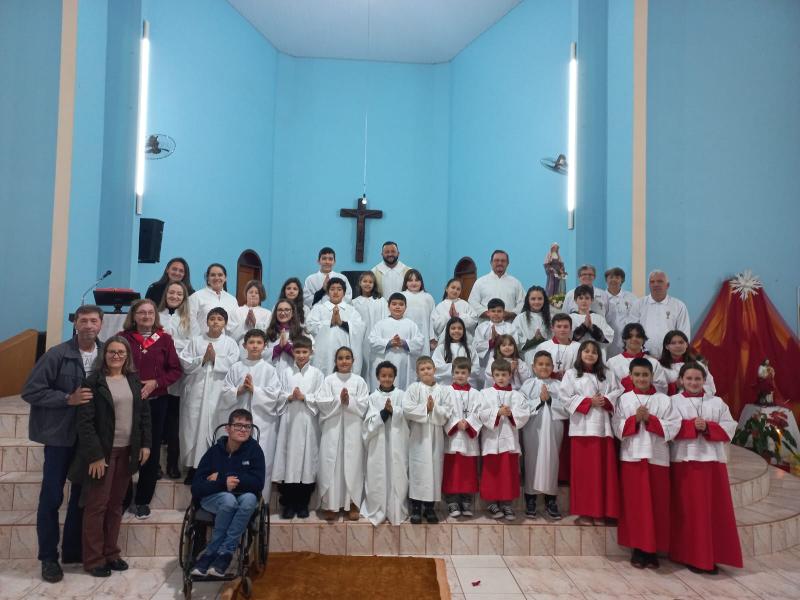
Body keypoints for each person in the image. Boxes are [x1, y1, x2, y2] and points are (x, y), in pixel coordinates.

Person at [22, 305, 104, 583]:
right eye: (84, 321)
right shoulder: (57, 354)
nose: (89, 325)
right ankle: (48, 558)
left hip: (90, 441)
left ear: (101, 325)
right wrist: (66, 399)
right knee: (52, 497)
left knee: (82, 498)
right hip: (60, 437)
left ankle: (72, 551)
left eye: (94, 320)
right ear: (76, 324)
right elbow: (31, 390)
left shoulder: (108, 354)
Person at [69, 336, 151, 577]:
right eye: (112, 352)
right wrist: (94, 455)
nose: (116, 356)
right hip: (102, 455)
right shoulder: (93, 382)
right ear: (104, 356)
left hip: (127, 452)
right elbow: (84, 423)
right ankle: (94, 559)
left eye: (121, 352)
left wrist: (145, 445)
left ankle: (111, 553)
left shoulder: (134, 381)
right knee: (96, 506)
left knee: (116, 506)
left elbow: (144, 415)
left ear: (128, 356)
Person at [669, 362, 742, 574]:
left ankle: (712, 555)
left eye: (697, 379)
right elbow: (668, 427)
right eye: (689, 379)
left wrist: (708, 427)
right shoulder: (673, 402)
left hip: (712, 463)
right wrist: (691, 426)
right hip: (685, 462)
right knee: (690, 512)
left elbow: (730, 427)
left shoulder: (717, 402)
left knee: (713, 512)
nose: (693, 383)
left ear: (704, 380)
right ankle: (691, 555)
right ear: (681, 380)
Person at [612, 358, 680, 569]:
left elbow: (674, 425)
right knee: (635, 506)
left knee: (657, 505)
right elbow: (617, 426)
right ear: (630, 377)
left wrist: (651, 420)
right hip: (632, 457)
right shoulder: (624, 400)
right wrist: (634, 420)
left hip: (657, 458)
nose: (641, 379)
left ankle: (653, 551)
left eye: (645, 375)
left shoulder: (664, 400)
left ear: (652, 376)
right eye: (637, 375)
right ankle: (638, 549)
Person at [119, 299, 182, 519]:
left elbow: (175, 370)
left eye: (150, 313)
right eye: (141, 313)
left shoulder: (164, 339)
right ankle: (123, 498)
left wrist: (156, 382)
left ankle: (143, 499)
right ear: (134, 316)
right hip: (127, 401)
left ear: (156, 316)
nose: (146, 316)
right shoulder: (123, 339)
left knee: (151, 449)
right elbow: (113, 366)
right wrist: (133, 385)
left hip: (156, 401)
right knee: (125, 448)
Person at [190, 409, 265, 578]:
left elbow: (258, 483)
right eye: (238, 425)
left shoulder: (255, 451)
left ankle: (224, 552)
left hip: (243, 496)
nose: (243, 430)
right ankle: (213, 552)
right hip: (215, 498)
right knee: (228, 500)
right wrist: (223, 482)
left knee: (249, 499)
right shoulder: (213, 452)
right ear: (228, 428)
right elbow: (197, 487)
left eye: (247, 426)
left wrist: (223, 476)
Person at [561, 340, 621, 526]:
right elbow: (565, 397)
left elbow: (618, 392)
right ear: (580, 353)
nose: (590, 355)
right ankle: (585, 512)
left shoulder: (608, 374)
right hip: (581, 430)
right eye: (586, 351)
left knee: (602, 473)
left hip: (603, 430)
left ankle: (600, 512)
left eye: (594, 352)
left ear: (599, 356)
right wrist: (588, 402)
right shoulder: (571, 374)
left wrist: (606, 400)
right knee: (584, 474)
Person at [179, 307, 240, 482]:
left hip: (218, 393)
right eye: (212, 318)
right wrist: (202, 359)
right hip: (196, 391)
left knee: (214, 428)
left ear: (225, 323)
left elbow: (235, 365)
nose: (215, 322)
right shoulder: (196, 341)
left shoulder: (230, 343)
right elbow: (185, 361)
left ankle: (210, 467)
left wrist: (216, 359)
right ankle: (192, 467)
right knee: (192, 428)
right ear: (206, 322)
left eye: (220, 319)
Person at [218, 329, 283, 494]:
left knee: (260, 459)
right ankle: (232, 494)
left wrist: (255, 390)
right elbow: (225, 392)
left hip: (262, 420)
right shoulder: (236, 367)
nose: (255, 346)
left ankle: (260, 499)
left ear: (265, 346)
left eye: (259, 343)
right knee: (235, 457)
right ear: (244, 345)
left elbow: (274, 395)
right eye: (251, 342)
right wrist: (239, 390)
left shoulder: (269, 370)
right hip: (239, 419)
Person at [272, 336, 324, 519]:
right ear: (292, 352)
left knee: (307, 462)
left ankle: (302, 503)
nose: (301, 355)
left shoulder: (317, 374)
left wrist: (305, 398)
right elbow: (276, 393)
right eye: (298, 351)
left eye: (305, 352)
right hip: (289, 421)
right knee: (288, 461)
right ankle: (288, 502)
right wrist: (288, 397)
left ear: (311, 352)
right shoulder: (285, 372)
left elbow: (320, 398)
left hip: (308, 422)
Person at [316, 347, 369, 521]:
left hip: (353, 428)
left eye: (347, 358)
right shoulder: (329, 380)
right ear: (335, 361)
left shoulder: (359, 381)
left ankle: (352, 503)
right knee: (332, 464)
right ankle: (330, 504)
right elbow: (321, 402)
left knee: (352, 465)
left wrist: (350, 401)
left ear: (353, 360)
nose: (344, 361)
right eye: (340, 358)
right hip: (333, 428)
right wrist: (340, 400)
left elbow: (364, 404)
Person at [478, 358, 530, 520]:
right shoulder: (485, 394)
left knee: (509, 473)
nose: (501, 378)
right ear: (492, 376)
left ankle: (507, 504)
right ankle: (492, 503)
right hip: (491, 441)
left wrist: (511, 414)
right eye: (497, 375)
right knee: (492, 473)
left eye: (504, 375)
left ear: (510, 375)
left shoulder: (517, 395)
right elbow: (481, 412)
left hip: (510, 441)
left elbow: (524, 414)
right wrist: (497, 413)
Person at [403, 356, 452, 524]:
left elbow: (447, 411)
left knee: (434, 471)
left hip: (436, 437)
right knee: (418, 471)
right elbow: (407, 409)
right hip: (418, 437)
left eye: (428, 368)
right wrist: (425, 409)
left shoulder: (444, 390)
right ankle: (416, 508)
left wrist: (434, 409)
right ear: (417, 372)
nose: (426, 371)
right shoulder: (413, 388)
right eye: (422, 369)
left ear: (434, 370)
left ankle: (430, 508)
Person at [519, 351, 567, 520]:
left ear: (553, 367)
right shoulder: (528, 385)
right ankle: (530, 500)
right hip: (533, 427)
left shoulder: (559, 385)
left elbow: (567, 407)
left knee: (551, 460)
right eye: (540, 364)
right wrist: (539, 400)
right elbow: (522, 406)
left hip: (554, 427)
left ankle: (550, 500)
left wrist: (551, 401)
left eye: (548, 364)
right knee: (532, 460)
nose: (544, 367)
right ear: (533, 367)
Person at [158, 281, 198, 479]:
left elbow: (194, 344)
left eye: (179, 294)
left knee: (174, 421)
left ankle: (173, 463)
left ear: (184, 297)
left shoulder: (190, 319)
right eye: (171, 292)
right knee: (157, 421)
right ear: (166, 294)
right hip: (157, 373)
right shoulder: (157, 316)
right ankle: (154, 464)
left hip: (179, 373)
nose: (174, 296)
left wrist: (172, 342)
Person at [362, 361, 409, 525]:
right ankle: (377, 507)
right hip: (378, 445)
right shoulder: (372, 397)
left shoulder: (402, 395)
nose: (387, 379)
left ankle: (396, 508)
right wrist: (383, 413)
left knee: (397, 475)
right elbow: (368, 423)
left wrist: (394, 411)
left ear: (395, 377)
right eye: (383, 376)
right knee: (378, 475)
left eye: (390, 376)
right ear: (377, 377)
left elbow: (406, 416)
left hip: (397, 444)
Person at [442, 357, 482, 519]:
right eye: (457, 372)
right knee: (453, 469)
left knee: (467, 470)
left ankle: (466, 500)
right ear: (452, 373)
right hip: (453, 437)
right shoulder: (446, 391)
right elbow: (443, 410)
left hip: (468, 438)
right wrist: (455, 423)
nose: (460, 375)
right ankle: (451, 500)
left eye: (463, 372)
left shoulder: (476, 394)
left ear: (469, 374)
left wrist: (469, 423)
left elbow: (479, 412)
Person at [306, 278, 365, 376]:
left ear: (344, 292)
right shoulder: (319, 308)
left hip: (345, 351)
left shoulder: (351, 310)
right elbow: (309, 326)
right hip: (324, 352)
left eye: (339, 289)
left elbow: (360, 328)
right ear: (328, 292)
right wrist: (330, 322)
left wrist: (342, 323)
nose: (336, 292)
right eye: (332, 289)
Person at [368, 292, 425, 391]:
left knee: (403, 390)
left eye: (401, 304)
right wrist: (389, 343)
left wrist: (404, 343)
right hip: (385, 361)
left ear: (406, 307)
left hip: (405, 364)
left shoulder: (411, 324)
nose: (397, 307)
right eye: (394, 304)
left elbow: (420, 342)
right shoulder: (381, 324)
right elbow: (372, 340)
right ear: (388, 306)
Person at [633, 270, 691, 358]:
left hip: (671, 357)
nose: (656, 284)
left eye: (660, 281)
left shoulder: (679, 306)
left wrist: (678, 353)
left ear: (667, 285)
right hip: (644, 357)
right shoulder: (638, 304)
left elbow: (684, 334)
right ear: (649, 285)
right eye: (652, 282)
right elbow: (632, 331)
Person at [607, 323, 669, 394]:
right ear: (624, 339)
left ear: (643, 339)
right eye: (630, 336)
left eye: (638, 336)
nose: (634, 339)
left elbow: (662, 387)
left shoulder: (653, 362)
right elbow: (608, 387)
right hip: (621, 403)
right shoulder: (612, 362)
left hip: (649, 402)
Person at [468, 250, 525, 320]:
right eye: (496, 260)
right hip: (485, 327)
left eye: (503, 261)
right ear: (491, 263)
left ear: (508, 263)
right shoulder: (480, 282)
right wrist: (488, 314)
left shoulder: (516, 283)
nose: (500, 263)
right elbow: (472, 302)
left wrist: (511, 314)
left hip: (509, 327)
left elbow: (522, 302)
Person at [352, 271, 388, 381]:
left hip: (378, 338)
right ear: (360, 283)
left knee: (378, 363)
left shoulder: (381, 301)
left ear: (374, 284)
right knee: (363, 363)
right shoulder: (354, 302)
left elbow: (386, 318)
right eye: (365, 281)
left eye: (370, 282)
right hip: (362, 339)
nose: (367, 284)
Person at [187, 263, 240, 337]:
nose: (216, 277)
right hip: (202, 343)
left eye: (220, 275)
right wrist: (199, 341)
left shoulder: (232, 300)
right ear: (208, 279)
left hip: (225, 345)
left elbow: (235, 325)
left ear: (225, 278)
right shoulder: (197, 296)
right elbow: (190, 320)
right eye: (213, 275)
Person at [659, 330, 716, 395]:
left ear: (686, 345)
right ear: (666, 346)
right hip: (672, 402)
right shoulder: (659, 366)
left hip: (698, 402)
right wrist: (676, 385)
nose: (678, 346)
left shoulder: (699, 365)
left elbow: (711, 388)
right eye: (673, 343)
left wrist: (694, 387)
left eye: (681, 342)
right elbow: (656, 391)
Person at [432, 317, 481, 387]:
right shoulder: (441, 348)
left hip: (467, 388)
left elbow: (476, 369)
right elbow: (437, 368)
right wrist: (458, 368)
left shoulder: (470, 349)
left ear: (464, 331)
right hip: (447, 387)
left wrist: (462, 373)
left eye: (459, 328)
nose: (456, 331)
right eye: (453, 328)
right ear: (448, 330)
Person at [264, 298, 307, 375]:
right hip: (272, 375)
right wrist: (278, 348)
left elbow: (308, 356)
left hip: (293, 374)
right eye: (280, 310)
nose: (283, 313)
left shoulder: (301, 332)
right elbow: (261, 355)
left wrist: (287, 347)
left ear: (293, 312)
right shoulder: (269, 332)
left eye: (287, 310)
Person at [430, 278, 478, 345]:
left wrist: (459, 317)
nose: (455, 291)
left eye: (458, 289)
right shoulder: (440, 306)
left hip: (464, 342)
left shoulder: (465, 305)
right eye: (453, 287)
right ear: (446, 289)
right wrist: (447, 316)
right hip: (445, 343)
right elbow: (435, 326)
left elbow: (474, 320)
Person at [512, 285, 551, 365]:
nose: (536, 302)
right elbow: (514, 341)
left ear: (544, 300)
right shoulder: (520, 318)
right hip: (527, 357)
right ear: (527, 301)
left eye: (540, 299)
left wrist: (543, 340)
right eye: (533, 299)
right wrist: (533, 341)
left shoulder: (551, 317)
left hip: (548, 357)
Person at [474, 298, 515, 375]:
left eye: (499, 311)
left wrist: (499, 340)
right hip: (485, 364)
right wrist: (490, 343)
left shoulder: (510, 327)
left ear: (504, 313)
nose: (496, 314)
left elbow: (516, 344)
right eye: (493, 311)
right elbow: (475, 346)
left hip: (506, 363)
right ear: (488, 313)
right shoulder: (481, 327)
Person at [604, 267, 638, 357]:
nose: (614, 280)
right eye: (611, 277)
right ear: (606, 280)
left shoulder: (632, 298)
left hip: (628, 339)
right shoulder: (600, 298)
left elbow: (637, 318)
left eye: (617, 277)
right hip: (607, 340)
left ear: (622, 280)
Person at [536, 313, 581, 380]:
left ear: (571, 328)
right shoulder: (543, 347)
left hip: (571, 384)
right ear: (552, 328)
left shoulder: (578, 347)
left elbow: (581, 368)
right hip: (548, 383)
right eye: (559, 326)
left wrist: (567, 375)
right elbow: (536, 367)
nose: (562, 329)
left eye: (566, 327)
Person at [401, 269, 436, 352]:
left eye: (416, 280)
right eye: (410, 280)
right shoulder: (401, 296)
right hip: (405, 335)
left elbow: (433, 319)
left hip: (424, 334)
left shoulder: (428, 297)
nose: (414, 283)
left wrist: (432, 338)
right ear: (406, 283)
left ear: (421, 282)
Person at [233, 280, 271, 348]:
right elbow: (231, 335)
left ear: (261, 295)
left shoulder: (267, 313)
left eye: (256, 293)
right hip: (241, 348)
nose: (253, 295)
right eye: (250, 292)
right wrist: (245, 324)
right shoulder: (237, 311)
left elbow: (269, 335)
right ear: (246, 294)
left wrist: (255, 324)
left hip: (260, 350)